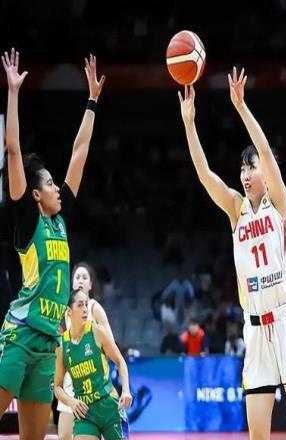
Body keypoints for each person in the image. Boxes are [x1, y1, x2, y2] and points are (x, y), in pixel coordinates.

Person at [179, 67, 286, 440]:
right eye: (242, 167)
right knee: (257, 436)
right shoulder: (236, 209)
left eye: (250, 167)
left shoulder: (279, 203)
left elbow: (267, 154)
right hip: (254, 329)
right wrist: (190, 125)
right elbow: (205, 174)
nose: (244, 173)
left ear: (265, 173)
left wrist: (240, 107)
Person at [0, 48, 104, 439]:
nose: (57, 187)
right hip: (21, 335)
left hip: (47, 345)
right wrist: (13, 93)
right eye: (48, 183)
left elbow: (80, 153)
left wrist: (92, 101)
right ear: (34, 194)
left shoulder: (59, 220)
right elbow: (13, 150)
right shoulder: (29, 222)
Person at [54, 289, 132, 439]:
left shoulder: (96, 331)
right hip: (85, 412)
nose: (85, 309)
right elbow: (57, 387)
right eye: (80, 305)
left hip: (109, 406)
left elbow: (120, 361)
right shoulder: (62, 345)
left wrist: (126, 390)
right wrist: (71, 402)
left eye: (86, 304)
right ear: (69, 311)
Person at [57, 262, 114, 440]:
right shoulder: (66, 312)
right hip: (71, 379)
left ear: (90, 284)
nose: (80, 280)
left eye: (84, 277)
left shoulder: (95, 309)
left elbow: (110, 344)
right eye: (77, 277)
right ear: (72, 283)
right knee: (64, 435)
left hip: (94, 380)